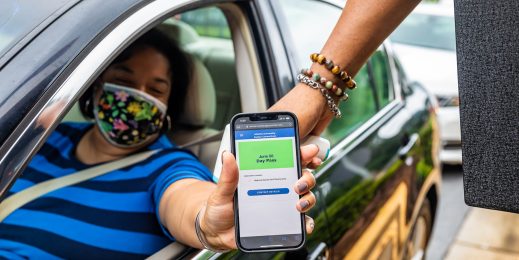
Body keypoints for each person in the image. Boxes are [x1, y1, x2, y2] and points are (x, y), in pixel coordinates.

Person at [0, 29, 319, 258]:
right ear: (96, 87)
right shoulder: (44, 138)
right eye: (123, 82)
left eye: (155, 90)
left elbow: (188, 199)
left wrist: (206, 223)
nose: (136, 98)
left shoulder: (169, 166)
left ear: (170, 106)